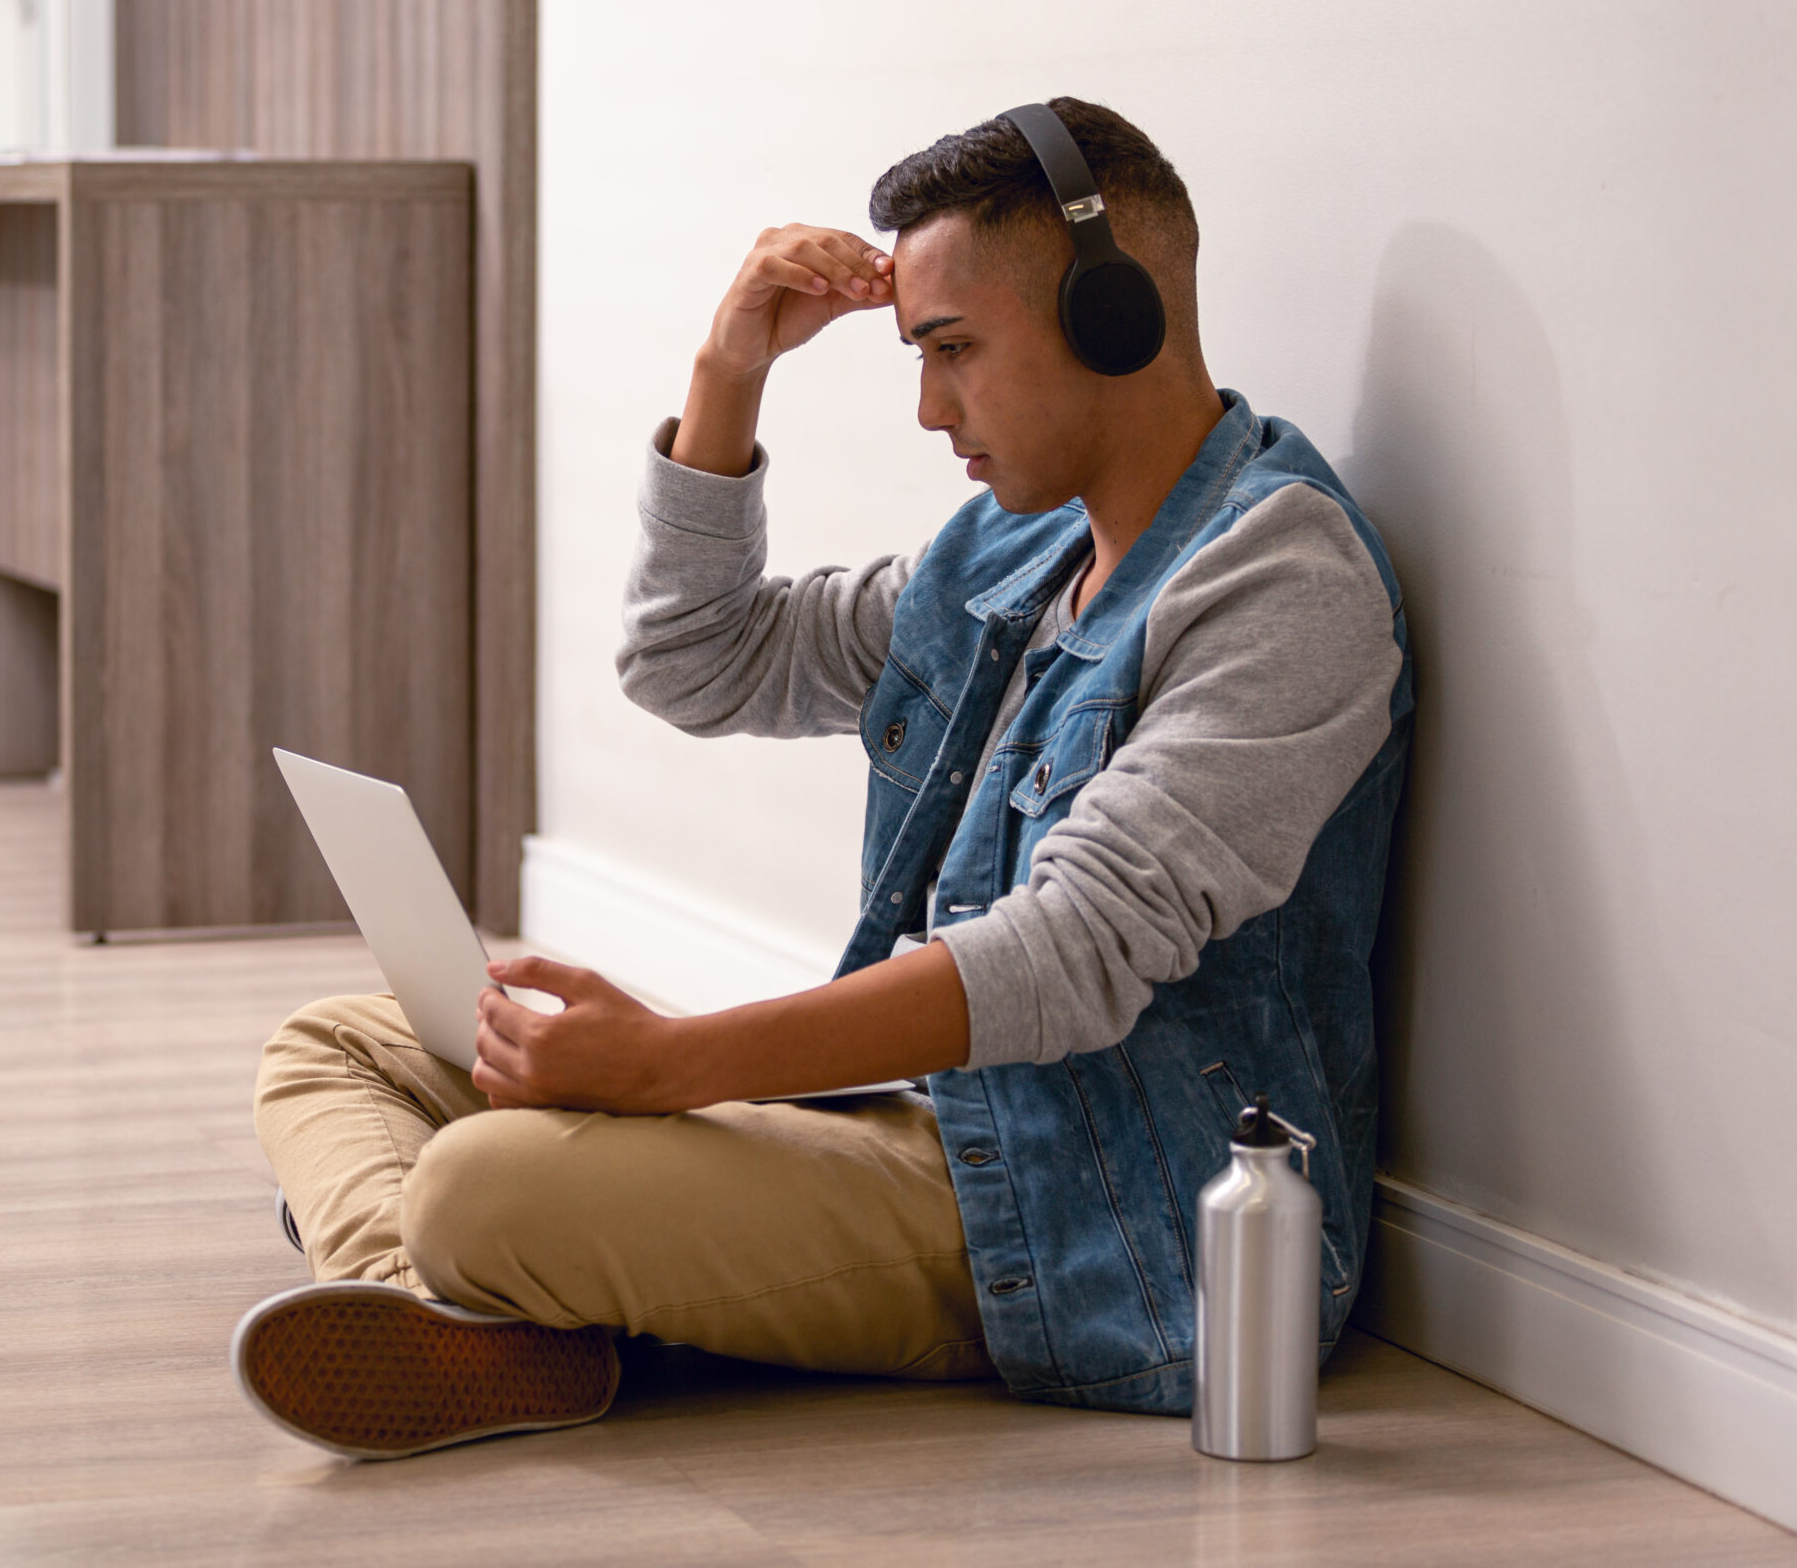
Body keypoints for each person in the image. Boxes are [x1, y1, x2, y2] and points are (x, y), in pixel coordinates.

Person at [232, 98, 1413, 1460]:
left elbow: (1068, 956)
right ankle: (456, 1330)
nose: (927, 408)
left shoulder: (1280, 583)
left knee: (474, 1186)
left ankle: (449, 1276)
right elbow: (699, 659)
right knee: (334, 1044)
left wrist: (673, 1068)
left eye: (954, 351)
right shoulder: (1011, 559)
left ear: (1116, 318)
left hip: (1081, 1214)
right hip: (916, 1122)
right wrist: (730, 368)